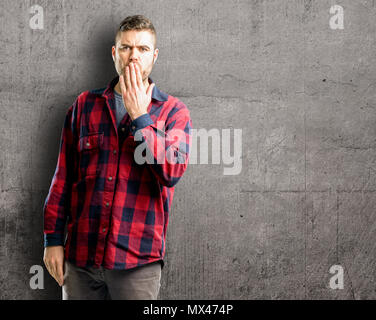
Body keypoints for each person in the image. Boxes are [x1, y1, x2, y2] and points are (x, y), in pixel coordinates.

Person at [42, 15, 192, 300]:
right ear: (114, 53)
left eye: (143, 49)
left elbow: (172, 171)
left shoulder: (174, 112)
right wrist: (52, 240)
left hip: (137, 263)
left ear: (154, 56)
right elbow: (62, 178)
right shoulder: (84, 105)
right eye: (126, 48)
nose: (133, 56)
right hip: (81, 259)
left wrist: (140, 117)